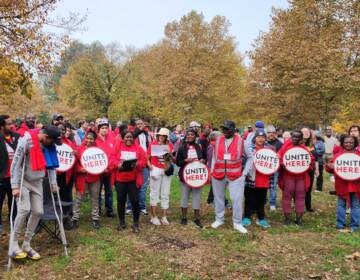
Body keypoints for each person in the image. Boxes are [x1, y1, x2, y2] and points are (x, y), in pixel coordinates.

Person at [9, 126, 61, 260]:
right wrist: (15, 186)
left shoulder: (49, 145)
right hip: (23, 181)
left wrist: (53, 183)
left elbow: (51, 166)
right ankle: (13, 244)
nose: (53, 143)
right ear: (45, 137)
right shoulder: (26, 140)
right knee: (24, 210)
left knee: (38, 211)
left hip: (37, 181)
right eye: (52, 141)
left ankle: (26, 244)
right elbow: (15, 164)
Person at [210, 121, 253, 234]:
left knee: (236, 199)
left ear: (233, 130)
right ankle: (219, 219)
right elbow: (214, 156)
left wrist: (244, 173)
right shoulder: (218, 140)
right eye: (223, 129)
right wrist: (212, 169)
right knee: (218, 198)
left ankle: (237, 223)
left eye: (227, 129)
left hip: (236, 175)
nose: (224, 131)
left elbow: (250, 157)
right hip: (218, 174)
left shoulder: (242, 141)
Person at [113, 129, 147, 233]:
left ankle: (136, 223)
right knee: (121, 201)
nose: (129, 139)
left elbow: (144, 159)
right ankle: (122, 222)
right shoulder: (117, 146)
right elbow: (112, 158)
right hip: (120, 179)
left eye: (131, 137)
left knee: (135, 201)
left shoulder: (138, 148)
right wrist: (117, 164)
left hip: (133, 179)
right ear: (123, 138)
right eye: (127, 137)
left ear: (134, 138)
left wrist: (137, 164)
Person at [278, 130, 315, 225]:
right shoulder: (285, 147)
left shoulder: (304, 149)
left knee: (300, 196)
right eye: (293, 136)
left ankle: (299, 219)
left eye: (297, 137)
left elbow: (311, 161)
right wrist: (282, 164)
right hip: (288, 176)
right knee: (287, 196)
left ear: (301, 138)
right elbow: (279, 159)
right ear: (291, 137)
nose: (295, 139)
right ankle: (287, 218)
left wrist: (308, 165)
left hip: (301, 177)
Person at [325, 135, 360, 232]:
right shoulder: (338, 155)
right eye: (346, 142)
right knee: (341, 205)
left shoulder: (359, 154)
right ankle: (340, 225)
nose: (348, 144)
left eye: (351, 142)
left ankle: (355, 226)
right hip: (342, 185)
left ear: (355, 143)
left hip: (356, 185)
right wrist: (329, 166)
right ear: (343, 143)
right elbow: (329, 168)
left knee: (355, 205)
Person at [176, 128, 206, 228]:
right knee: (184, 196)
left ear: (195, 136)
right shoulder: (182, 148)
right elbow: (178, 163)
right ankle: (184, 217)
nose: (190, 136)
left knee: (197, 197)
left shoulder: (199, 147)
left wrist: (203, 160)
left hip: (197, 176)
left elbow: (204, 158)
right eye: (188, 134)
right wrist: (185, 160)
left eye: (192, 135)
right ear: (186, 136)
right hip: (185, 176)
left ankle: (197, 218)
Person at [242, 129, 272, 228]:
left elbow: (273, 164)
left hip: (263, 179)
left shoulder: (269, 150)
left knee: (261, 200)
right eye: (258, 137)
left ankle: (261, 218)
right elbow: (244, 161)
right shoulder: (249, 149)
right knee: (249, 199)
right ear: (255, 138)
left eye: (263, 137)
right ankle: (246, 217)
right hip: (251, 179)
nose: (260, 139)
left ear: (265, 139)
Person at [72, 131, 102, 229]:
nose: (88, 140)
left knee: (95, 198)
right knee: (79, 197)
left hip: (94, 177)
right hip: (82, 177)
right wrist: (80, 169)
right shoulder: (79, 149)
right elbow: (75, 163)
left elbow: (101, 163)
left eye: (91, 139)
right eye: (87, 138)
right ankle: (75, 218)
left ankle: (95, 218)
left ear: (94, 140)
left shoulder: (98, 151)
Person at [148, 128, 174, 225]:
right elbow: (147, 158)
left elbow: (172, 159)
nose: (161, 137)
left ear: (166, 137)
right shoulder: (153, 144)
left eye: (163, 136)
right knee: (154, 192)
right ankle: (153, 216)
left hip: (166, 170)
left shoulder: (170, 145)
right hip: (156, 169)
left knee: (165, 193)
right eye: (160, 135)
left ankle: (164, 216)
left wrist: (170, 155)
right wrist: (150, 166)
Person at [126, 119, 152, 216]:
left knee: (143, 186)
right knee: (131, 185)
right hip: (134, 163)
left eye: (141, 124)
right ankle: (129, 207)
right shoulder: (132, 135)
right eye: (137, 124)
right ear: (135, 125)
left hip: (145, 162)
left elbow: (150, 148)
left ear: (144, 124)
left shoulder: (147, 135)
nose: (140, 125)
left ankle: (142, 207)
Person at [0, 115, 20, 235]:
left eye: (11, 123)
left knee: (14, 201)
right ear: (1, 126)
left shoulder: (16, 137)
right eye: (8, 123)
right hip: (2, 176)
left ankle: (13, 222)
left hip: (15, 177)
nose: (11, 125)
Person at [56, 123, 77, 229]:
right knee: (55, 196)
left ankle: (67, 216)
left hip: (68, 174)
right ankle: (56, 215)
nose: (61, 131)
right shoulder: (51, 142)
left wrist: (75, 153)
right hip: (55, 174)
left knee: (67, 195)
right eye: (59, 129)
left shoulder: (69, 142)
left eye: (63, 129)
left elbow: (76, 155)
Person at [96, 118, 116, 218]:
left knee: (109, 190)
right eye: (102, 128)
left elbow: (114, 154)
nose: (104, 130)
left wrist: (110, 167)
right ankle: (98, 210)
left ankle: (109, 210)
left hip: (109, 170)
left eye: (106, 128)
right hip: (98, 171)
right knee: (98, 191)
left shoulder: (111, 139)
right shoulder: (95, 140)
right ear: (98, 129)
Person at [301, 127, 319, 212]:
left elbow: (316, 158)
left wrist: (317, 169)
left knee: (309, 188)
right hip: (300, 170)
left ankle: (308, 206)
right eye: (304, 132)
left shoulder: (312, 144)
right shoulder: (298, 143)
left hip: (310, 169)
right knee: (300, 188)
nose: (306, 133)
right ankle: (300, 206)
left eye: (307, 132)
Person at [266, 125, 283, 211]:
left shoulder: (279, 143)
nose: (271, 134)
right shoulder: (263, 142)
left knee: (273, 186)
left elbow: (282, 154)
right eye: (269, 132)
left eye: (273, 132)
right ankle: (263, 200)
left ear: (275, 133)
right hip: (264, 167)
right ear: (267, 133)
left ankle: (272, 203)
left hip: (274, 168)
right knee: (264, 185)